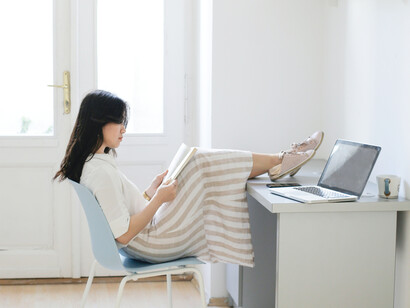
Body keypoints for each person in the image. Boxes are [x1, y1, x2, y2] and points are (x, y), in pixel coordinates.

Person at [54, 90, 323, 267]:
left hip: (149, 238)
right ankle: (279, 160)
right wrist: (159, 199)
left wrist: (150, 192)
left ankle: (278, 161)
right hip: (151, 244)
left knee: (192, 162)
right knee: (196, 162)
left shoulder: (99, 162)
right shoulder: (99, 171)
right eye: (119, 122)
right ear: (97, 122)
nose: (124, 129)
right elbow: (123, 234)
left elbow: (123, 214)